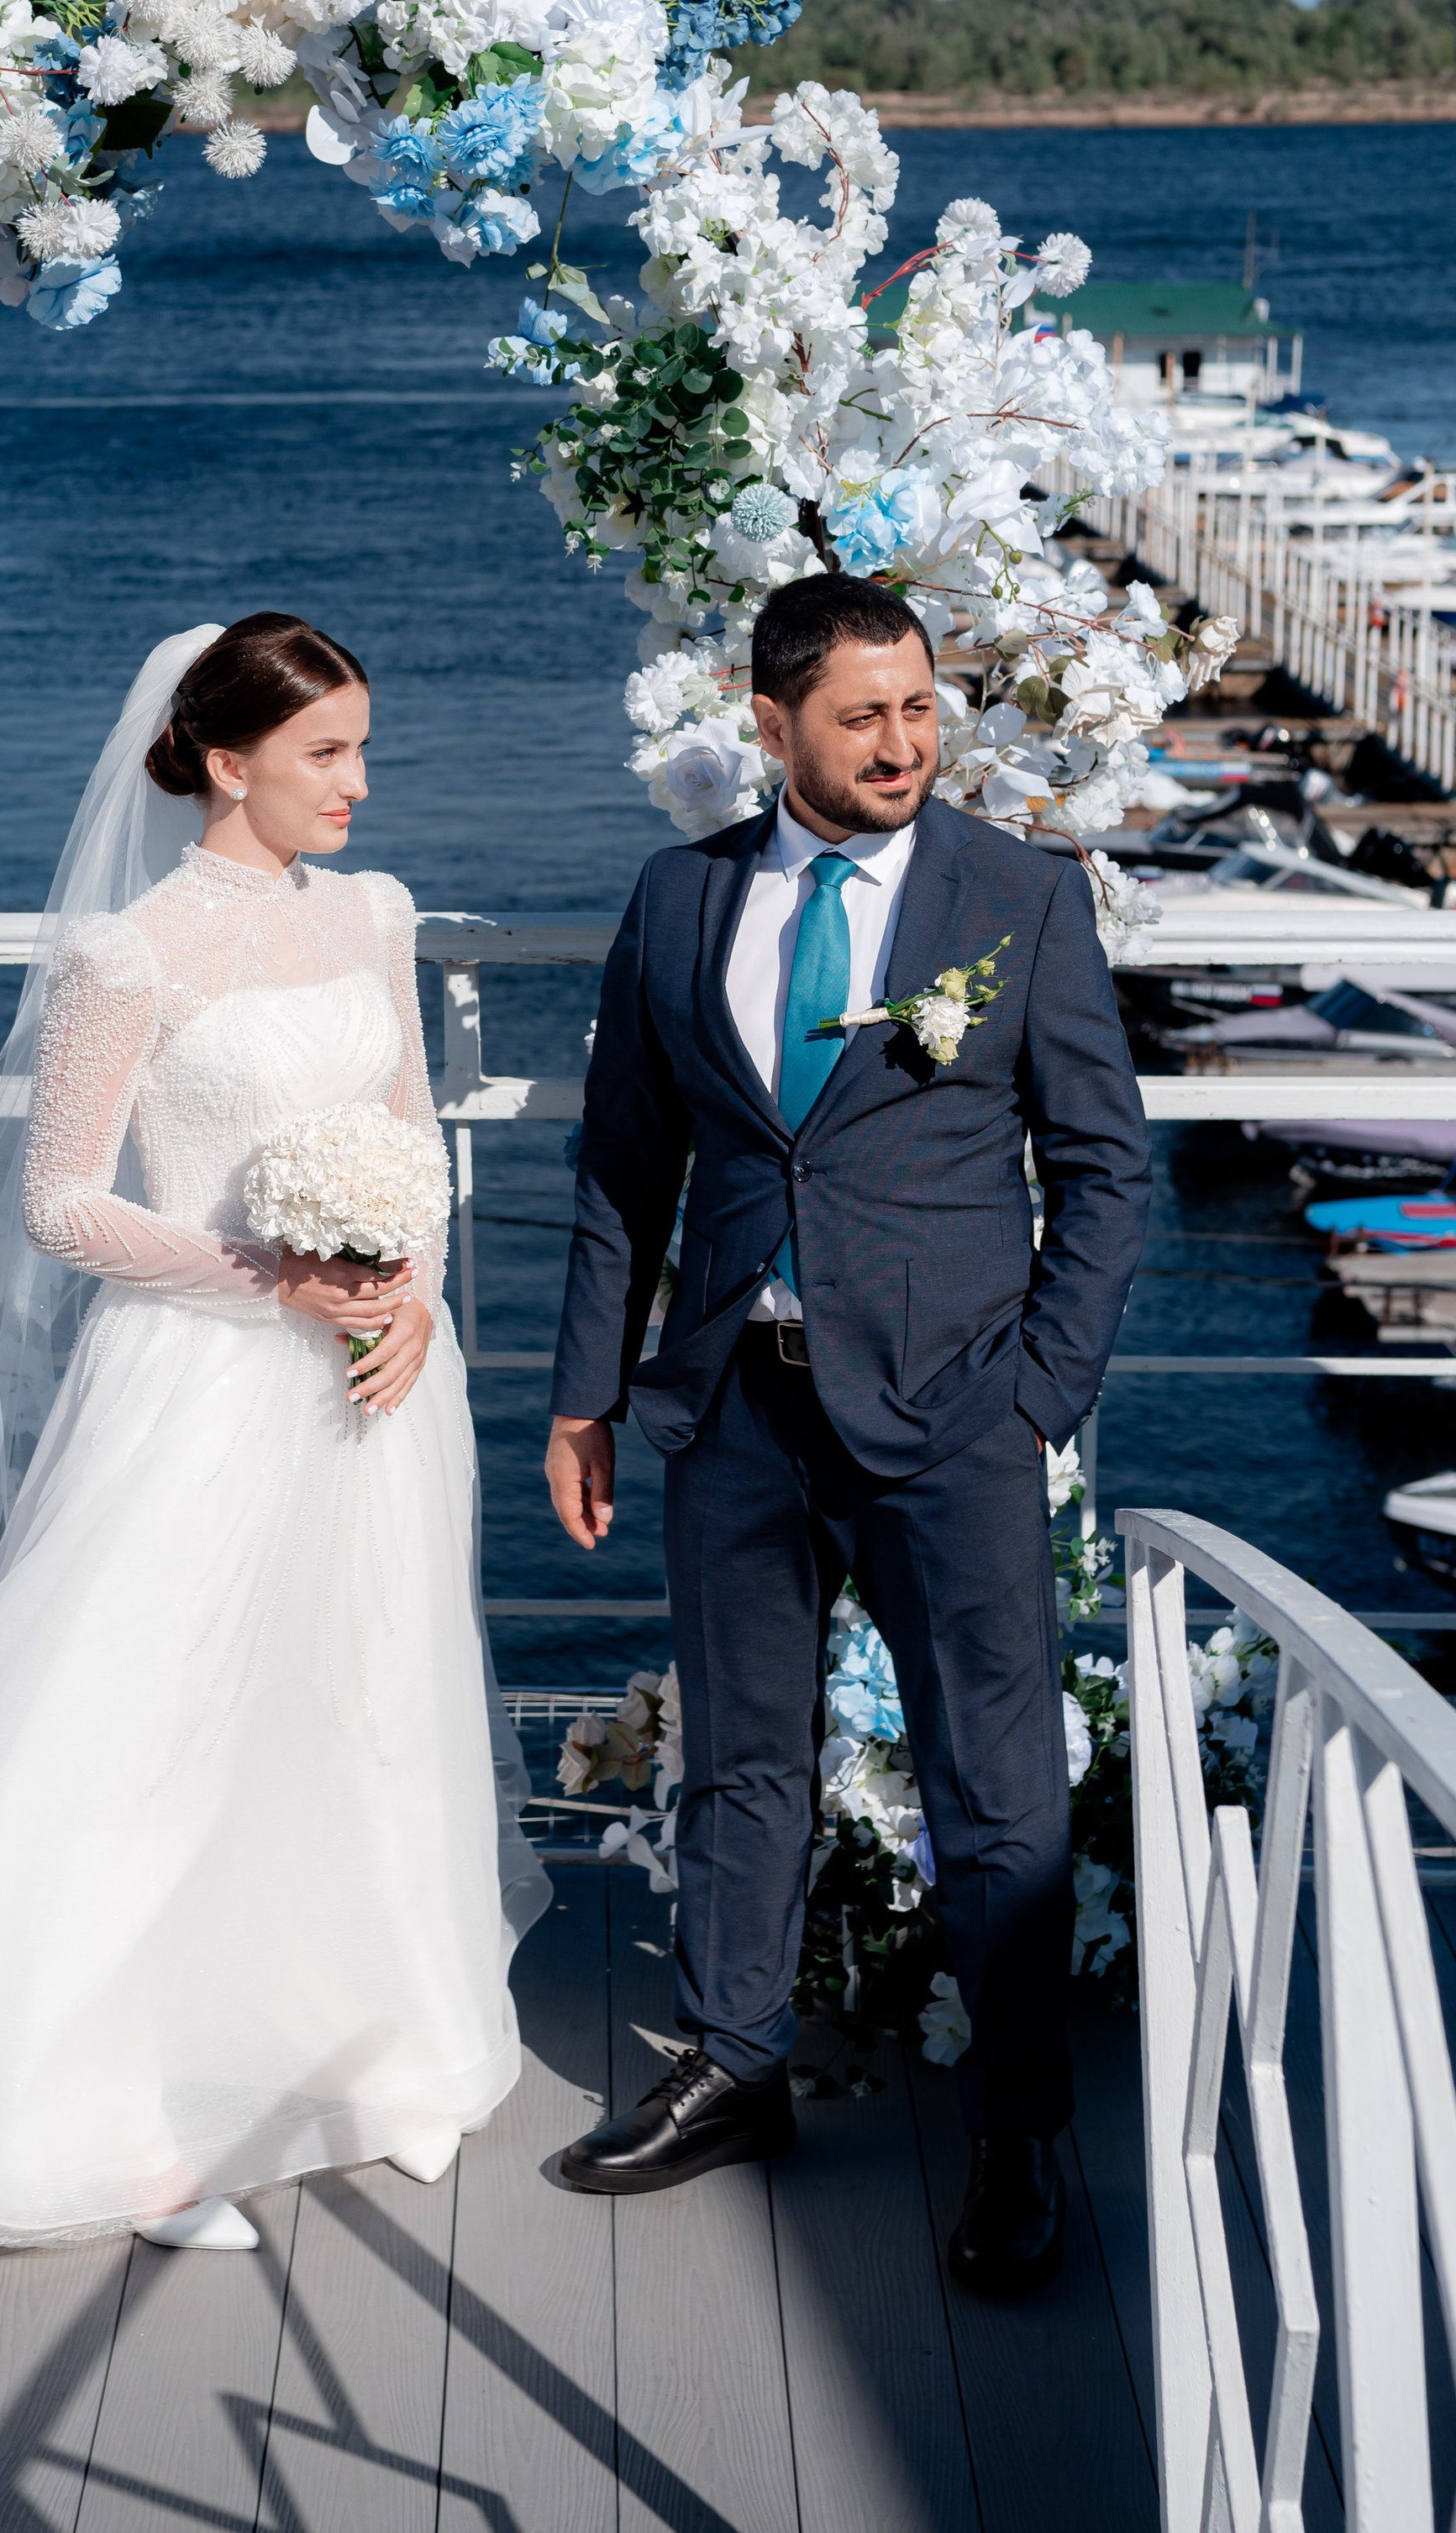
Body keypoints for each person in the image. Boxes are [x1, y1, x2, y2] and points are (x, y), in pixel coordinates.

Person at [0, 615, 544, 2251]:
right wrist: (268, 1278)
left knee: (360, 1698)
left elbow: (410, 1138)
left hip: (372, 1389)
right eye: (326, 754)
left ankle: (368, 2050)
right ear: (228, 765)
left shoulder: (373, 915)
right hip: (200, 1380)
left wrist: (408, 1293)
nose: (360, 782)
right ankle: (129, 2117)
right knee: (155, 1727)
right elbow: (64, 1205)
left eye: (361, 745)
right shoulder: (124, 958)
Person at [542, 575, 1148, 2295]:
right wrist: (584, 1395)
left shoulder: (1014, 899)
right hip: (730, 1403)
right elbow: (619, 1171)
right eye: (860, 716)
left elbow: (1102, 1169)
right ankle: (731, 2064)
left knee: (994, 1787)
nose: (901, 744)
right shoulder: (679, 900)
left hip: (951, 1414)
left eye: (916, 707)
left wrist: (1037, 1392)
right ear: (770, 724)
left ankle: (1014, 2134)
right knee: (740, 1751)